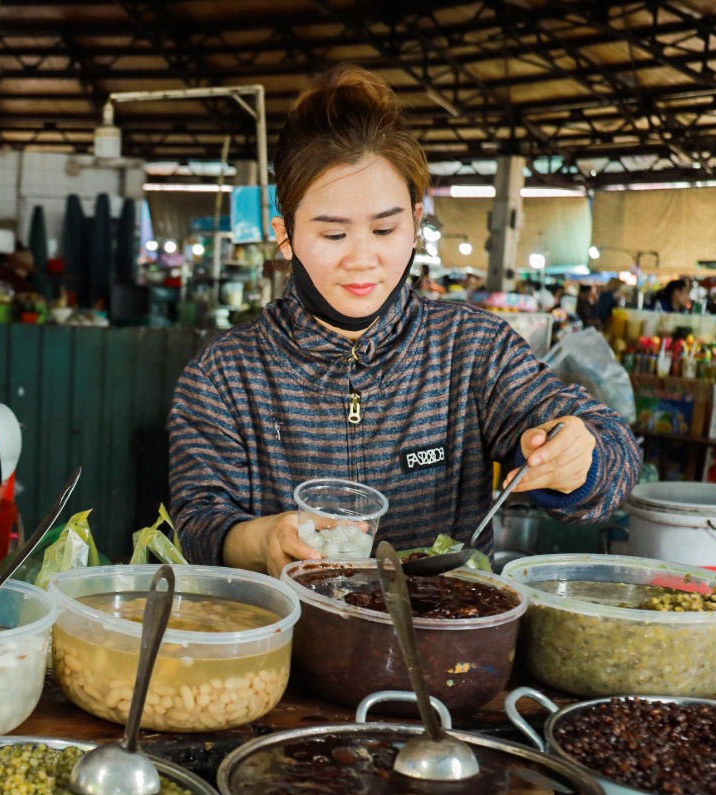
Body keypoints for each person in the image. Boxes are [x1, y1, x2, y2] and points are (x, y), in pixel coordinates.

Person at [167, 64, 639, 576]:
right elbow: (198, 524)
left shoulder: (472, 349)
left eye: (385, 229)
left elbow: (615, 453)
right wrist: (262, 541)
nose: (362, 259)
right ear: (286, 235)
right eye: (332, 235)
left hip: (446, 643)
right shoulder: (225, 374)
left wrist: (580, 459)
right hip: (286, 644)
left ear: (415, 223)